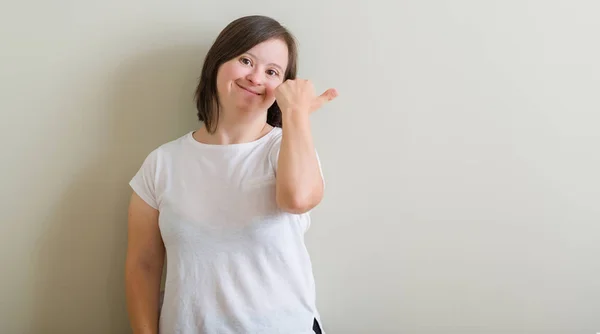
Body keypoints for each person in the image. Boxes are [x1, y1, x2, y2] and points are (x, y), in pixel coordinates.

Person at [124, 15, 338, 334]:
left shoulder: (287, 147)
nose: (255, 77)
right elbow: (143, 266)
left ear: (283, 88)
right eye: (245, 60)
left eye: (272, 72)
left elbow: (298, 199)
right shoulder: (161, 163)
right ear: (218, 62)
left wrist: (296, 114)